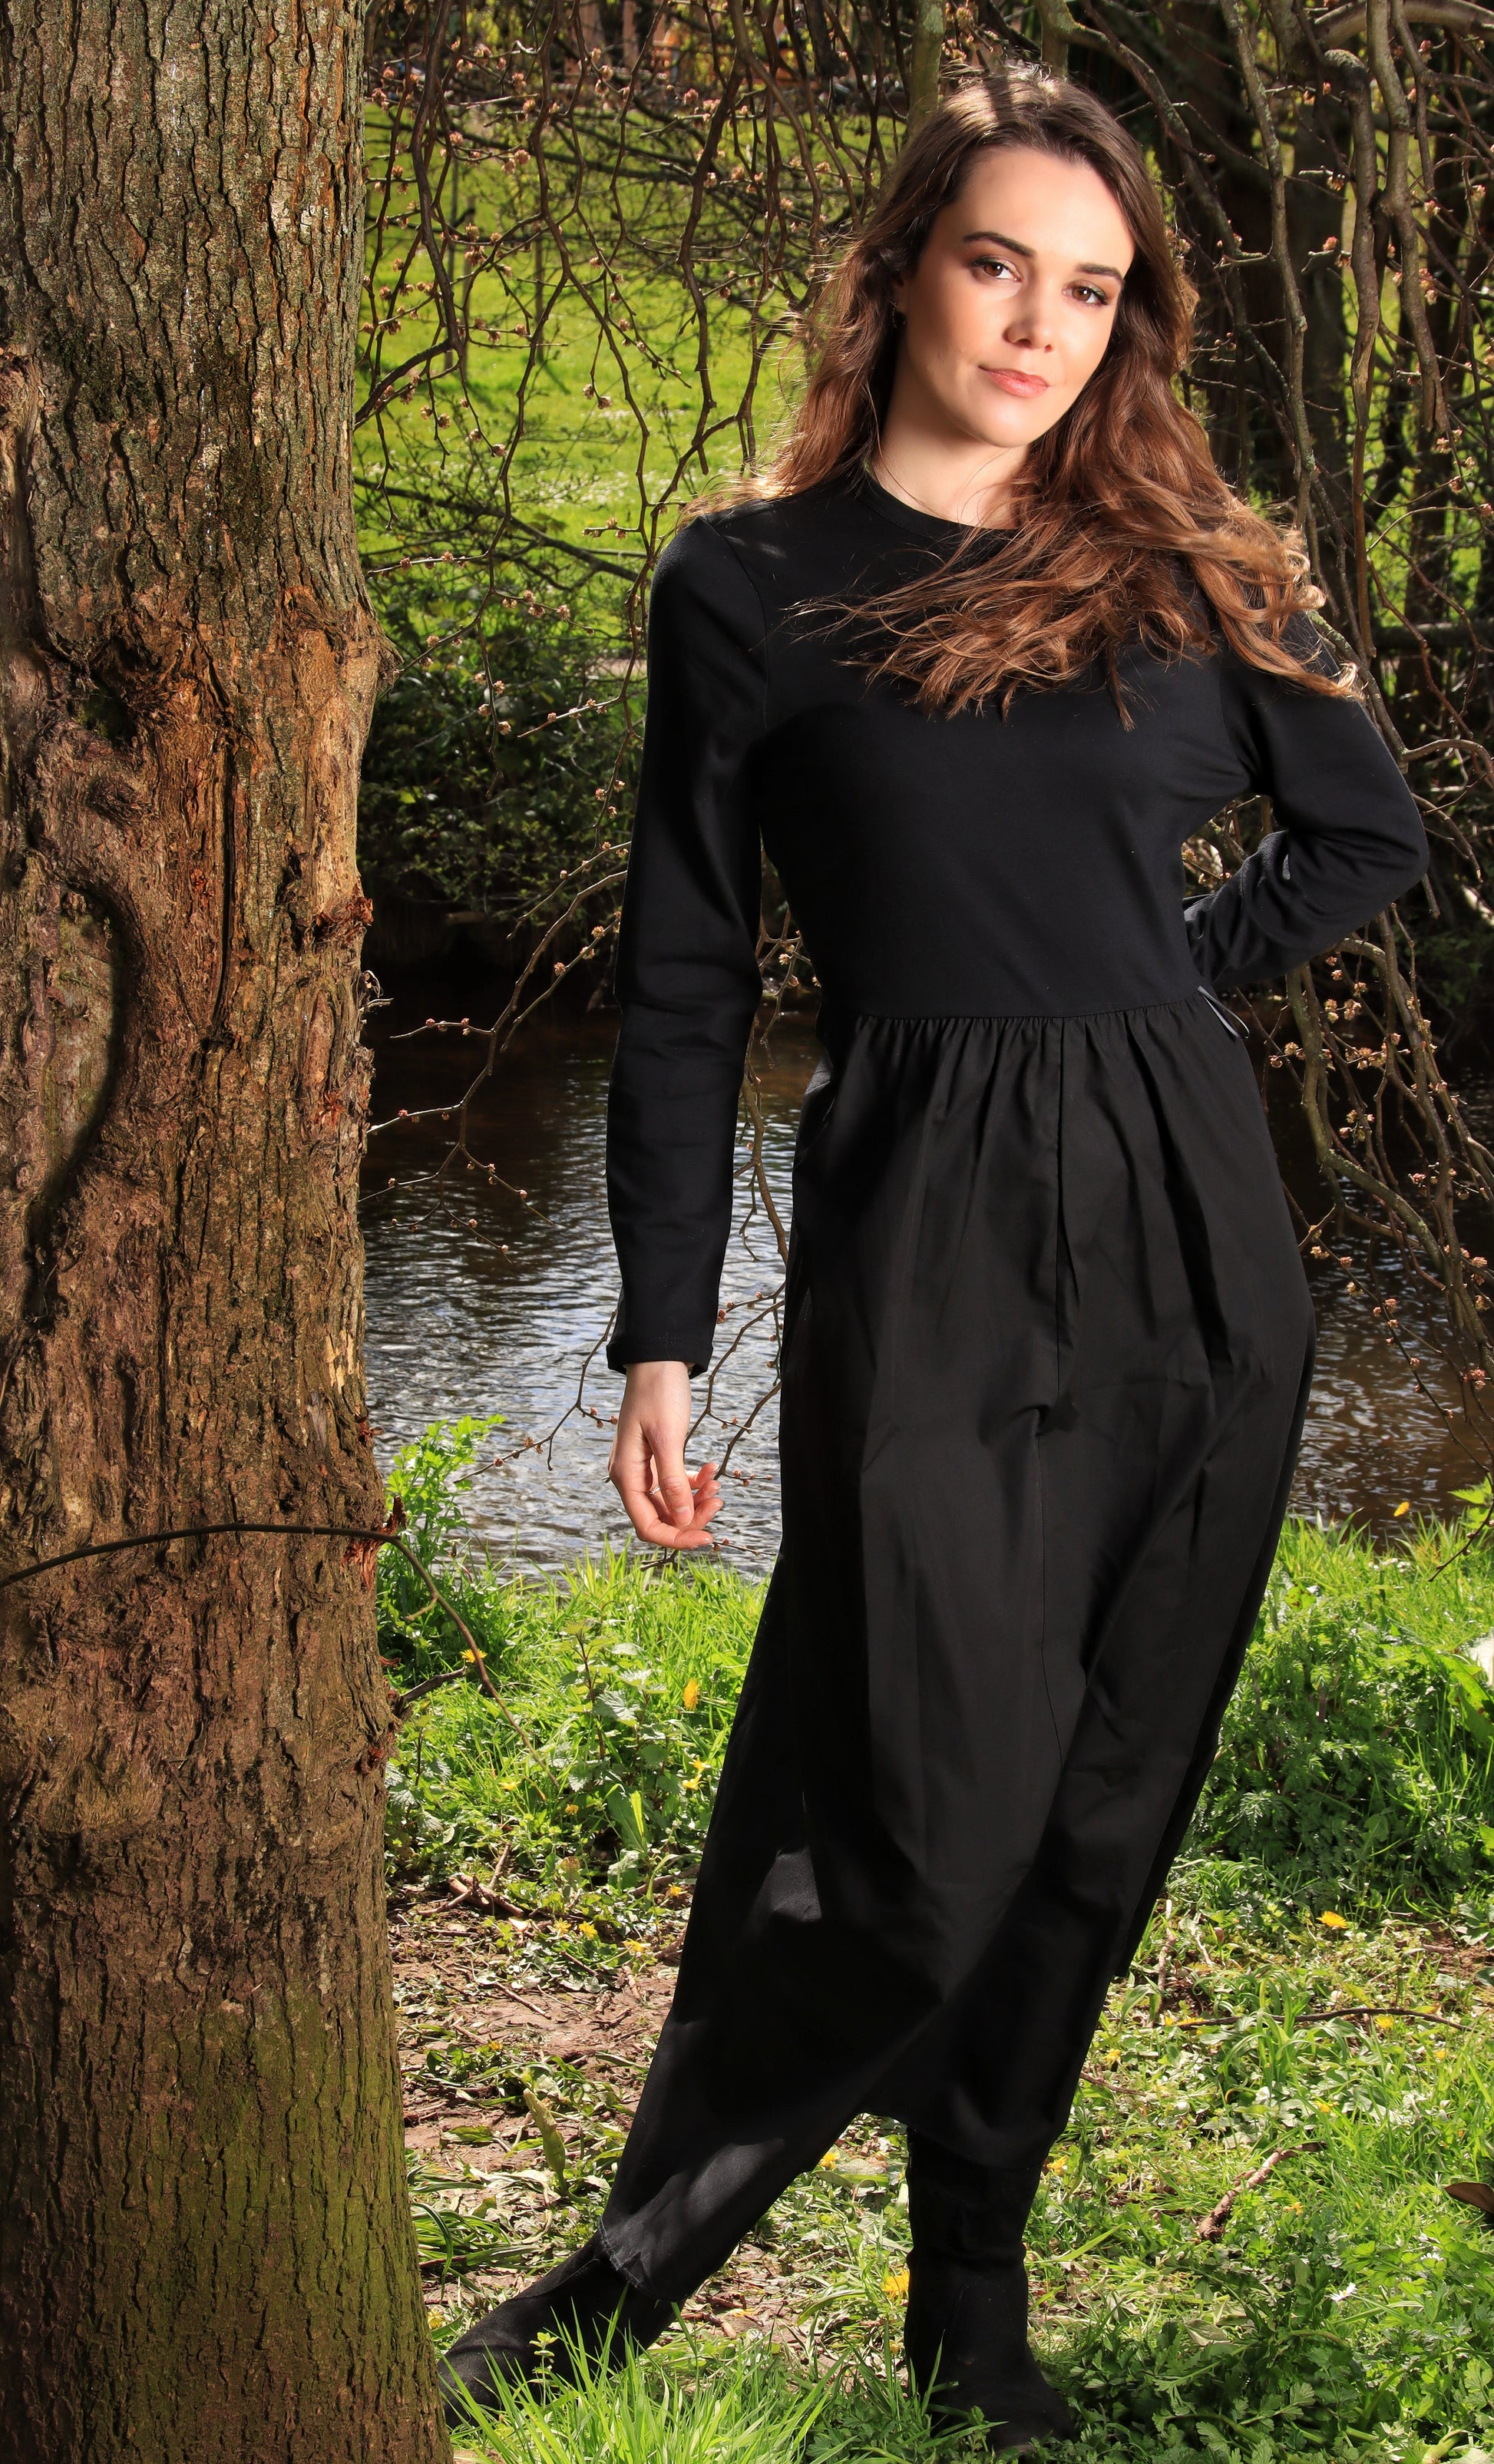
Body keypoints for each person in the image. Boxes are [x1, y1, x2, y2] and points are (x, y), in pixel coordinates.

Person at [439, 66, 1428, 2453]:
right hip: (928, 1216)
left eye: (1089, 289)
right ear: (900, 269)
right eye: (998, 262)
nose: (1039, 324)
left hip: (1194, 1222)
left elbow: (1360, 834)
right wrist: (660, 1331)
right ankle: (633, 2262)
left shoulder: (1191, 563)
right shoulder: (747, 588)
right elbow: (682, 981)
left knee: (1100, 1799)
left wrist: (1157, 999)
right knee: (910, 1803)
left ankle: (965, 2289)